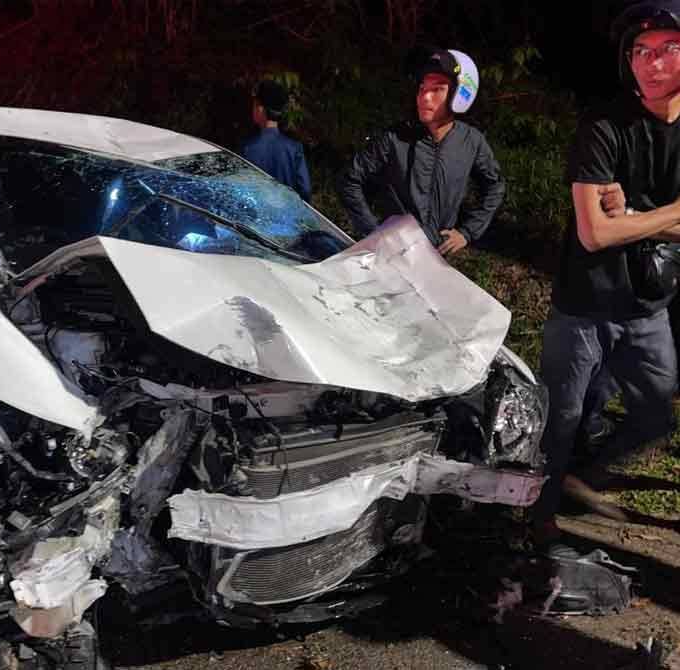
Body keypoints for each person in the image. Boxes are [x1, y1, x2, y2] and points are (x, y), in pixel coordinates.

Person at [532, 0, 680, 544]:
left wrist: (634, 217)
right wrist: (669, 215)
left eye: (668, 49)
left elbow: (617, 224)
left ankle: (581, 475)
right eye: (641, 50)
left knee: (655, 416)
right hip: (583, 305)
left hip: (649, 309)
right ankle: (537, 519)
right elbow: (594, 232)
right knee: (560, 419)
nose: (652, 62)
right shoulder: (603, 123)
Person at [338, 47, 504, 255]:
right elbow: (349, 179)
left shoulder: (471, 141)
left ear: (460, 94)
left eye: (437, 90)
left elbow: (495, 186)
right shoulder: (395, 138)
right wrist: (373, 232)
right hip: (392, 252)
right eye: (422, 88)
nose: (425, 97)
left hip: (437, 256)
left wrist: (467, 232)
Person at [241, 80, 311, 202]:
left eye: (254, 105)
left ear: (260, 109)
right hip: (288, 216)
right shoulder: (294, 148)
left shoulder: (247, 148)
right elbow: (305, 190)